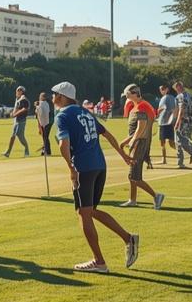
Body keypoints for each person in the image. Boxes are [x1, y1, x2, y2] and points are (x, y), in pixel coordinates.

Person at [51, 81, 139, 273]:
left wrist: (71, 168)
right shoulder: (86, 112)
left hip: (84, 167)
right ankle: (128, 238)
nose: (52, 98)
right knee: (90, 211)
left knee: (83, 214)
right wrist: (122, 155)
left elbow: (62, 144)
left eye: (54, 94)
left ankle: (99, 262)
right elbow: (107, 134)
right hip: (100, 165)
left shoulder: (63, 115)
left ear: (62, 97)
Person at [120, 85, 165, 210]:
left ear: (134, 93)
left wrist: (133, 140)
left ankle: (156, 196)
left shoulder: (141, 106)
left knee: (134, 176)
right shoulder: (137, 106)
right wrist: (125, 142)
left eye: (127, 95)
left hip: (139, 144)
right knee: (133, 174)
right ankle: (132, 199)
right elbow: (134, 131)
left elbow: (141, 127)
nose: (126, 98)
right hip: (137, 142)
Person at [172, 81, 192, 165]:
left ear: (179, 87)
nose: (176, 90)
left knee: (179, 140)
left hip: (183, 121)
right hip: (190, 121)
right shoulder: (190, 96)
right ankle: (182, 160)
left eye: (176, 88)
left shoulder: (180, 97)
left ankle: (190, 153)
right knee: (185, 139)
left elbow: (181, 109)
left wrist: (177, 122)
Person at [2, 86, 32, 157]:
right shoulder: (17, 99)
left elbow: (24, 109)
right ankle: (8, 152)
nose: (17, 91)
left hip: (21, 120)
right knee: (13, 136)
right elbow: (16, 108)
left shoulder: (24, 99)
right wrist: (13, 113)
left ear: (22, 92)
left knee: (20, 136)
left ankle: (27, 150)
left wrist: (15, 114)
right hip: (16, 120)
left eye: (19, 90)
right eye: (17, 90)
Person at [156, 85, 178, 163]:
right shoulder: (173, 98)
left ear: (167, 89)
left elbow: (166, 108)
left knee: (163, 142)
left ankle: (164, 159)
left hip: (164, 122)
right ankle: (182, 152)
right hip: (169, 122)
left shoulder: (165, 98)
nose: (161, 91)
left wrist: (159, 111)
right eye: (160, 89)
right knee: (171, 142)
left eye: (162, 89)